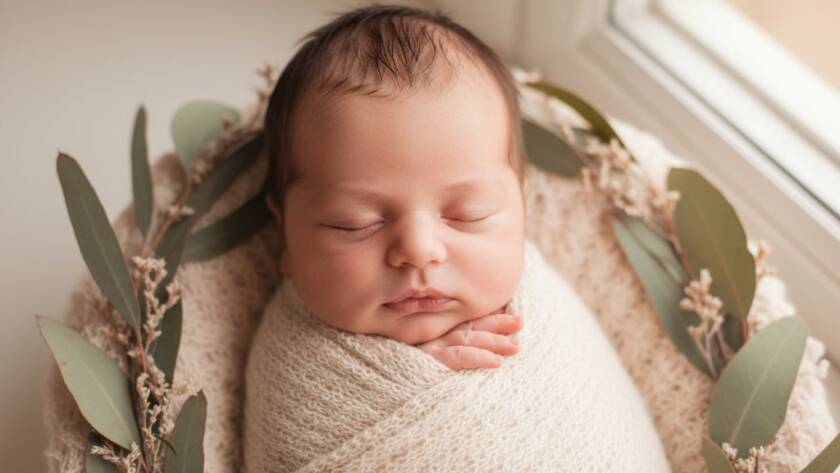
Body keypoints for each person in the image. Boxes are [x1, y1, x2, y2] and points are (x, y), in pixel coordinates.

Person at [261, 4, 528, 370]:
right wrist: (412, 372)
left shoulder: (541, 297)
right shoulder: (288, 355)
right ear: (285, 234)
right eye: (353, 223)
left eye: (468, 214)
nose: (417, 250)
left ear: (523, 210)